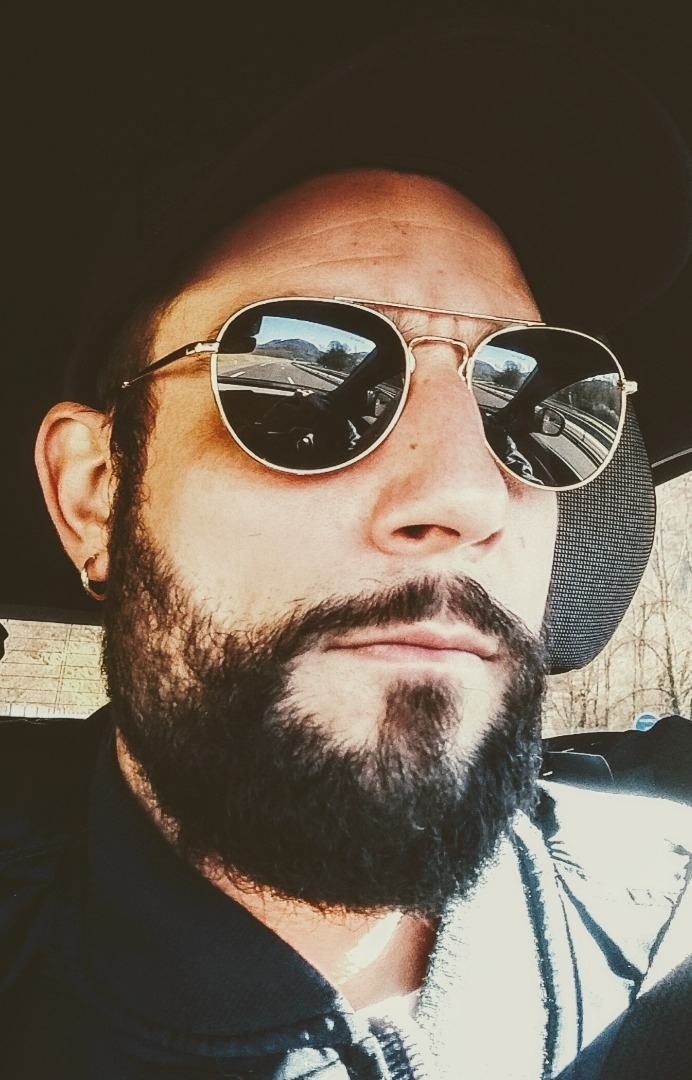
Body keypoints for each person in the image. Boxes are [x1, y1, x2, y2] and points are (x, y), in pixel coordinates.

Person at [2, 19, 691, 1079]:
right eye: (315, 376)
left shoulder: (667, 918)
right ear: (95, 495)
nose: (466, 494)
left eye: (530, 396)